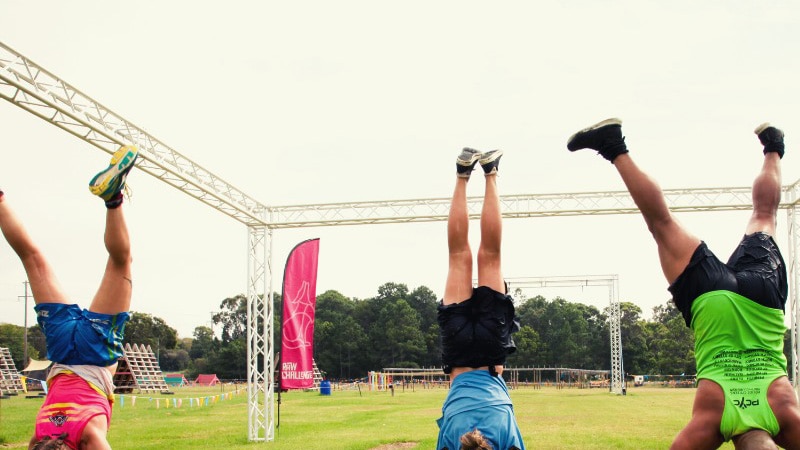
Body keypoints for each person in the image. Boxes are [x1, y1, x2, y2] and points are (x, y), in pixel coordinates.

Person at [567, 118, 800, 449]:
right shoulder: (711, 421)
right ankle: (613, 146)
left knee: (764, 215)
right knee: (660, 223)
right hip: (713, 303)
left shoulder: (789, 417)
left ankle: (773, 148)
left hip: (762, 300)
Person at [0, 145, 139, 450]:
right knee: (32, 258)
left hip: (95, 348)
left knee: (121, 261)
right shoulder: (38, 434)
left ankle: (113, 200)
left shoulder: (89, 437)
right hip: (61, 346)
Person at [436, 147, 525, 450]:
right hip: (459, 357)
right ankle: (463, 173)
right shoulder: (453, 442)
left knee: (491, 255)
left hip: (490, 357)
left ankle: (491, 172)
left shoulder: (505, 438)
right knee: (458, 256)